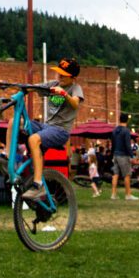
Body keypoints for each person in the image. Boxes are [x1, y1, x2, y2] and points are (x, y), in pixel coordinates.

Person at [14, 58, 84, 203]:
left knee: (33, 139)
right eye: (59, 74)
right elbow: (32, 87)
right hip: (46, 127)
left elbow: (75, 103)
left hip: (60, 131)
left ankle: (38, 184)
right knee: (14, 122)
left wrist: (64, 94)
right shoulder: (53, 85)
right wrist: (9, 85)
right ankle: (8, 159)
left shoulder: (75, 88)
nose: (59, 77)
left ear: (73, 78)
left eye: (63, 75)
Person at [109, 113, 138, 201]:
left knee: (115, 174)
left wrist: (112, 155)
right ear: (127, 120)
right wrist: (132, 156)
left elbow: (113, 144)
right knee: (127, 175)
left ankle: (113, 194)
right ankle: (128, 195)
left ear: (119, 119)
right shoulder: (126, 131)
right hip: (123, 155)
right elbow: (127, 145)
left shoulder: (114, 130)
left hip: (116, 155)